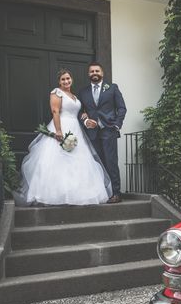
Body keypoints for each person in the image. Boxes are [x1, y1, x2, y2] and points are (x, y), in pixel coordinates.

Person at [15, 69, 112, 206]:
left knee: (78, 160)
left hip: (76, 129)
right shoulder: (57, 93)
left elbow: (78, 112)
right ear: (59, 82)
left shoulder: (73, 96)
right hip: (62, 126)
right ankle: (54, 195)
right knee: (57, 159)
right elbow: (55, 111)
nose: (66, 81)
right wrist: (58, 131)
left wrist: (85, 117)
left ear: (71, 79)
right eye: (63, 79)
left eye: (68, 79)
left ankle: (76, 194)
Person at [78, 62, 127, 203]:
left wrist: (117, 125)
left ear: (102, 73)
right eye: (92, 71)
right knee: (96, 163)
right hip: (92, 133)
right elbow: (80, 111)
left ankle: (116, 193)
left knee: (111, 162)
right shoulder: (83, 92)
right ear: (88, 74)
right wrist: (86, 121)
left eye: (97, 70)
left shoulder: (112, 88)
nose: (94, 73)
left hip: (109, 130)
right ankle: (101, 193)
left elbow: (122, 108)